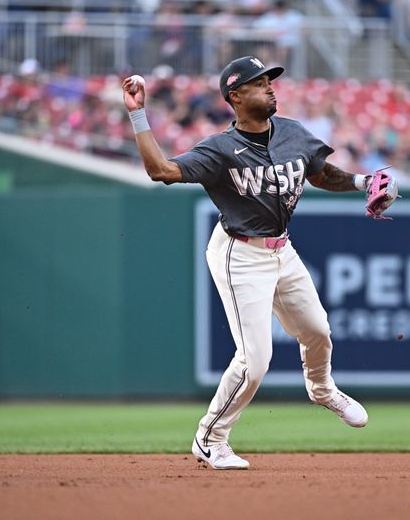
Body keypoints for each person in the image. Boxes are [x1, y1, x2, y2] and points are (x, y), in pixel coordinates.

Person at [122, 56, 385, 470]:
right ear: (236, 95)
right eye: (259, 82)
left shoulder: (293, 133)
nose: (270, 87)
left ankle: (321, 389)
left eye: (270, 80)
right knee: (255, 360)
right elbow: (161, 170)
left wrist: (360, 182)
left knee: (318, 331)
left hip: (282, 249)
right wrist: (138, 113)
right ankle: (210, 437)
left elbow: (318, 173)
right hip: (239, 252)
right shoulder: (220, 149)